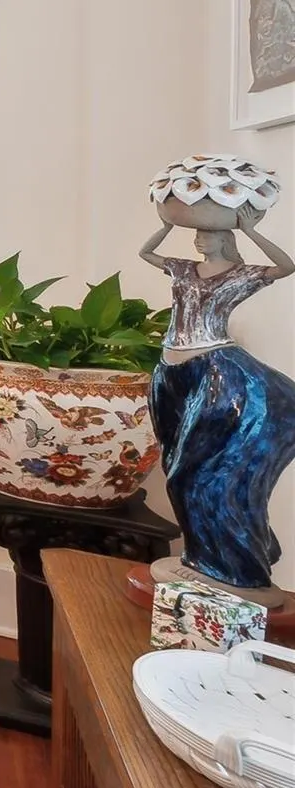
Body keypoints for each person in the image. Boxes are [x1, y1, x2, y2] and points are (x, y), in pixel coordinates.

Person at [140, 155, 295, 591]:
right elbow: (146, 252)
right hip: (170, 372)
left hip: (214, 370)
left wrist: (251, 230)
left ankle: (232, 564)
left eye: (209, 236)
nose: (201, 243)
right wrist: (166, 222)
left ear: (226, 239)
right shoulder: (183, 269)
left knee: (193, 472)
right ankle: (201, 557)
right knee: (175, 462)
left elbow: (286, 267)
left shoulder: (241, 274)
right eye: (199, 236)